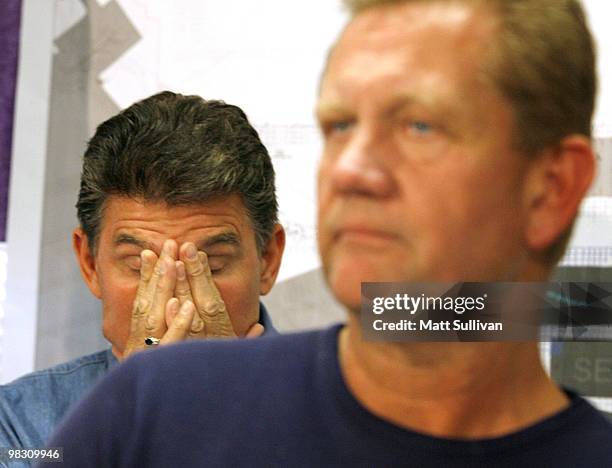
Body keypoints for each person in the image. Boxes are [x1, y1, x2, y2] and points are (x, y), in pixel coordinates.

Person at [44, 1, 612, 466]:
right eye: (340, 125)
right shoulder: (143, 410)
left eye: (419, 125)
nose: (348, 169)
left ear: (551, 188)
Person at [0, 92, 285, 454]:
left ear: (268, 259)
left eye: (210, 266)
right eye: (141, 266)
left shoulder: (353, 410)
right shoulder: (15, 424)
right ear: (90, 264)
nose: (179, 301)